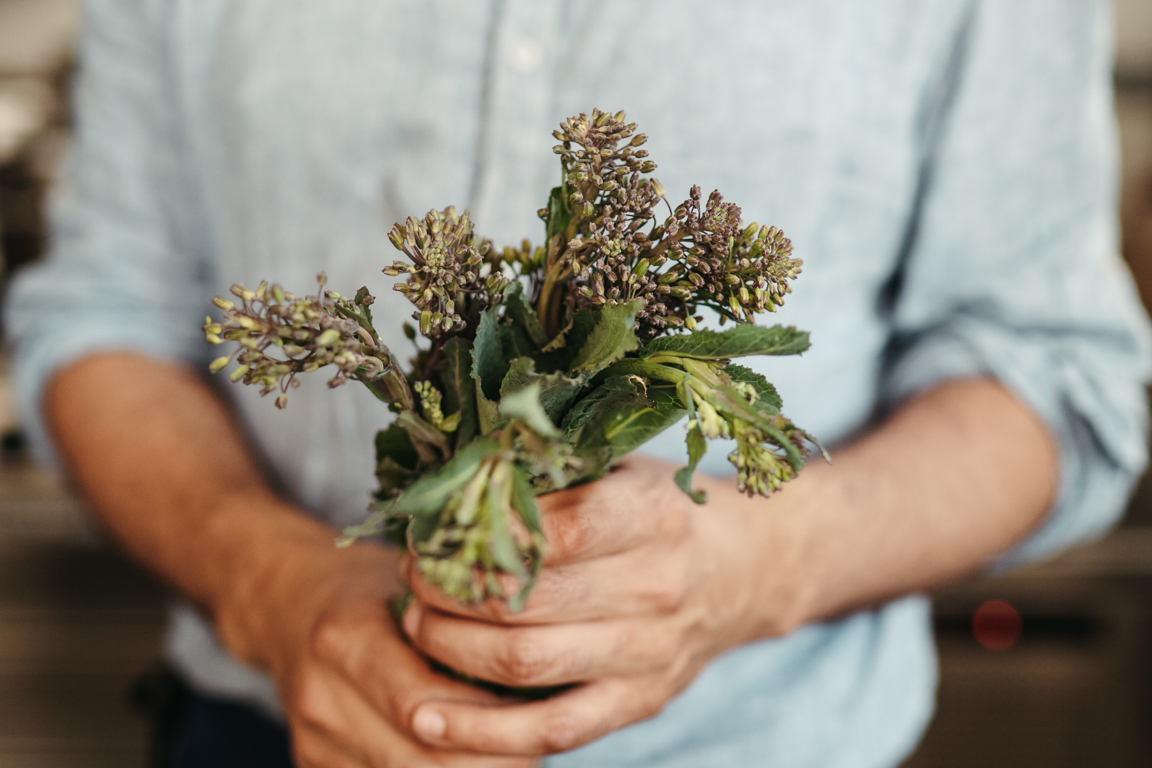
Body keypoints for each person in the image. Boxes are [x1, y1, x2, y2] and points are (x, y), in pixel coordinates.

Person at [7, 1, 1151, 766]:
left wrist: (752, 566)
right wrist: (273, 585)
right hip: (274, 730)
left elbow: (1052, 372)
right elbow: (106, 317)